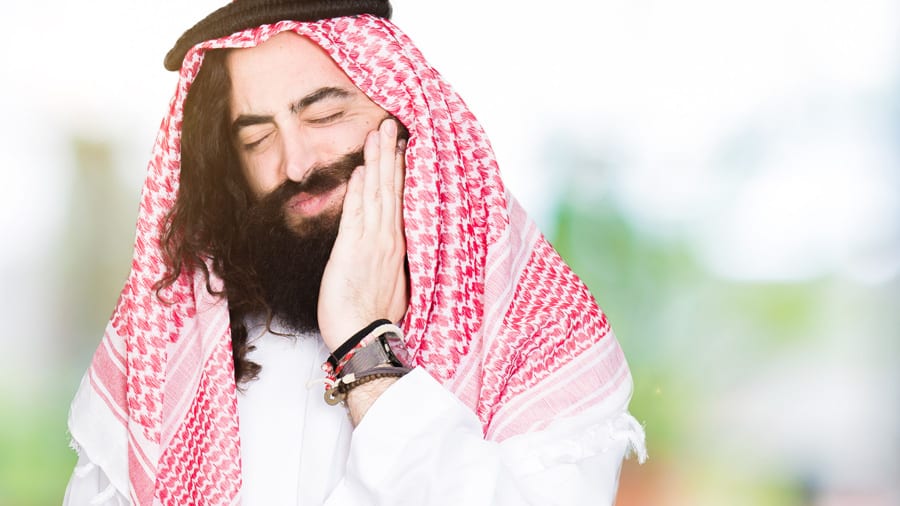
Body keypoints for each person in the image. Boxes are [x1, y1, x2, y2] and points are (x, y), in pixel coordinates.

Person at [64, 1, 646, 504]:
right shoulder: (173, 349)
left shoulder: (539, 336)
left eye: (326, 114)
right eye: (257, 137)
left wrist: (364, 348)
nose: (296, 163)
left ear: (406, 112)